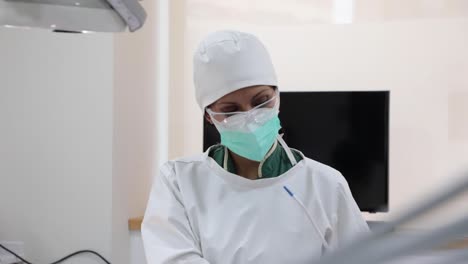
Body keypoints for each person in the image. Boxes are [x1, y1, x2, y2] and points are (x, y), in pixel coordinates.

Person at [142, 30, 369, 264]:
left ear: (278, 96)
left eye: (261, 101)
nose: (250, 117)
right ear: (209, 116)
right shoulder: (179, 181)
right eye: (231, 109)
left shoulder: (326, 185)